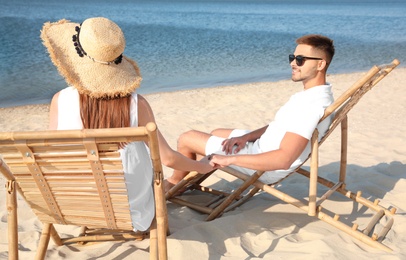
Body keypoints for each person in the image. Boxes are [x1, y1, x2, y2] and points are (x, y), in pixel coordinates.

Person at [41, 17, 213, 232]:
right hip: (131, 210)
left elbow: (52, 153)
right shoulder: (136, 104)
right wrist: (202, 166)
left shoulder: (60, 99)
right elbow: (168, 158)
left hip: (74, 204)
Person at [166, 34, 335, 189]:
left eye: (300, 59)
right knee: (217, 133)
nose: (292, 63)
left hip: (266, 164)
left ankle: (173, 184)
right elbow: (280, 126)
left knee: (187, 139)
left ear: (320, 64)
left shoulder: (310, 107)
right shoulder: (315, 96)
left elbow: (284, 159)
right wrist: (246, 137)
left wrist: (229, 159)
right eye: (292, 57)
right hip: (262, 146)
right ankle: (190, 177)